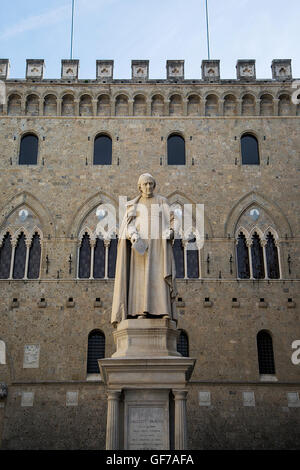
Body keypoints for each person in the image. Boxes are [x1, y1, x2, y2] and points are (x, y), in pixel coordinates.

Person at [111, 173, 177, 325]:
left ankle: (164, 311)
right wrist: (133, 235)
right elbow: (128, 225)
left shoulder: (162, 201)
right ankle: (140, 311)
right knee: (139, 280)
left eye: (150, 184)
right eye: (145, 184)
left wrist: (172, 231)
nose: (148, 187)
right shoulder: (133, 204)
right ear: (139, 187)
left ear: (154, 185)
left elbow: (173, 220)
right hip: (140, 249)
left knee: (159, 277)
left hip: (159, 247)